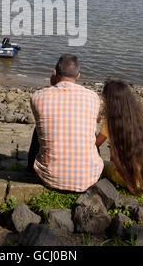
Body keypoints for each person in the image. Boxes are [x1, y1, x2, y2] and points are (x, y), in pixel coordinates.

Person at [29, 54, 103, 192]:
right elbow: (97, 119)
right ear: (78, 76)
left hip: (50, 177)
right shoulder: (93, 97)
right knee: (89, 129)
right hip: (88, 178)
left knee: (39, 126)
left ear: (55, 73)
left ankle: (30, 168)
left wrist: (53, 85)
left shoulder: (37, 97)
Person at [96, 79, 143, 194]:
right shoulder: (138, 113)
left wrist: (130, 184)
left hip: (133, 180)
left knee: (101, 165)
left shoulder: (111, 121)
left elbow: (99, 145)